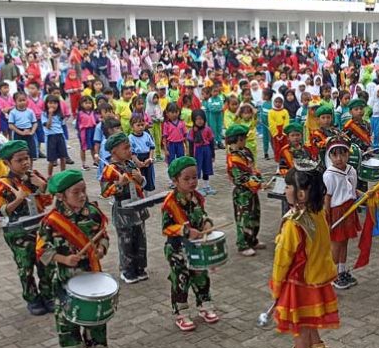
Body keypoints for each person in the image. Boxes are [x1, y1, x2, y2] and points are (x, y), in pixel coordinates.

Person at [37, 170, 110, 348]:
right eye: (76, 192)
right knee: (67, 316)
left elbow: (103, 235)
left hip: (91, 272)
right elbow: (42, 251)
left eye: (83, 190)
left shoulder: (92, 213)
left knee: (95, 312)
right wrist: (63, 258)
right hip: (64, 276)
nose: (82, 195)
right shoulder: (51, 221)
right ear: (61, 196)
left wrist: (102, 248)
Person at [270, 166, 339, 348]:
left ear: (301, 193)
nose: (285, 190)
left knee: (300, 330)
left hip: (299, 284)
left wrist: (276, 286)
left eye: (288, 186)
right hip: (317, 281)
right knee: (310, 327)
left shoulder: (294, 223)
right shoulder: (319, 213)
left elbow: (282, 259)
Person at [0, 140, 54, 315]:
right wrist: (18, 200)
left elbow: (49, 199)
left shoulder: (34, 175)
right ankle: (33, 299)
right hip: (19, 232)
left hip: (39, 227)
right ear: (7, 163)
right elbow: (0, 211)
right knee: (26, 266)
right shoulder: (4, 183)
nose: (25, 163)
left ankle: (48, 294)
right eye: (19, 160)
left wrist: (42, 185)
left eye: (26, 158)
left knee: (46, 261)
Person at [161, 156, 219, 331]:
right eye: (186, 179)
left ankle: (204, 304)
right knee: (181, 279)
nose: (192, 182)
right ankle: (181, 312)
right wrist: (185, 231)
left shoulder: (197, 198)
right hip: (177, 249)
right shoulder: (170, 203)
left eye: (194, 177)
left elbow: (202, 215)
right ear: (175, 180)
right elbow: (166, 228)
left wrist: (207, 223)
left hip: (196, 247)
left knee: (201, 275)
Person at [101, 132, 149, 284]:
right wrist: (118, 185)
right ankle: (127, 270)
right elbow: (104, 192)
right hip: (123, 209)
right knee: (126, 241)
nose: (130, 151)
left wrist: (140, 178)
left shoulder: (131, 164)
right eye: (126, 148)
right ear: (114, 151)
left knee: (140, 238)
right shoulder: (110, 169)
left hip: (138, 206)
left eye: (130, 147)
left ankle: (140, 268)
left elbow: (142, 184)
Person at [323, 137, 361, 290]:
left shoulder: (351, 170)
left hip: (349, 209)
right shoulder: (329, 175)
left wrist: (366, 194)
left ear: (348, 155)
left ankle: (342, 270)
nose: (339, 159)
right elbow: (328, 197)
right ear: (329, 156)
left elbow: (352, 190)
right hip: (337, 211)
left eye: (343, 154)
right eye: (335, 155)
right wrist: (328, 218)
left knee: (344, 242)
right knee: (336, 244)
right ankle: (332, 274)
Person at [226, 124, 264, 257]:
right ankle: (242, 244)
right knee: (243, 218)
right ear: (237, 140)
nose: (244, 141)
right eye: (242, 139)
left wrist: (258, 177)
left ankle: (252, 239)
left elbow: (253, 167)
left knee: (255, 216)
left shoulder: (246, 151)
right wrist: (258, 183)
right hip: (242, 193)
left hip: (252, 191)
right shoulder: (233, 158)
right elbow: (240, 178)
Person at [187, 109, 216, 196]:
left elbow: (211, 142)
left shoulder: (208, 129)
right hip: (197, 152)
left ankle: (206, 186)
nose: (199, 121)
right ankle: (196, 189)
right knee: (197, 170)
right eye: (197, 119)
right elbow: (191, 144)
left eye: (201, 119)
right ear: (193, 120)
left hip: (206, 150)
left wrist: (213, 155)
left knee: (206, 168)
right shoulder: (192, 131)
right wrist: (191, 157)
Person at [41, 95, 68, 177]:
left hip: (60, 135)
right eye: (50, 103)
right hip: (50, 137)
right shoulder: (44, 114)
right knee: (51, 159)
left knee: (63, 157)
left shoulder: (59, 114)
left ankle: (63, 174)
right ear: (46, 104)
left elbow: (62, 124)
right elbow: (48, 126)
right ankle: (49, 175)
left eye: (55, 103)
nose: (53, 105)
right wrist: (50, 115)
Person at [128, 116, 155, 192]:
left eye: (142, 125)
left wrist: (150, 158)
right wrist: (138, 162)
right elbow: (132, 152)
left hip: (147, 158)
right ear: (132, 126)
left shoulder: (147, 135)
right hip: (137, 159)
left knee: (148, 176)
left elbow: (152, 147)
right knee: (138, 177)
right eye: (138, 125)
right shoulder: (130, 138)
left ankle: (147, 192)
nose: (141, 127)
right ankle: (139, 192)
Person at [8, 92, 38, 161]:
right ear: (15, 101)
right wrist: (21, 132)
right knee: (19, 152)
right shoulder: (13, 112)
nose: (22, 102)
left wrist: (32, 132)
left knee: (30, 153)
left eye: (24, 100)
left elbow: (35, 123)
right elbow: (11, 125)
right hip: (18, 133)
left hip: (29, 132)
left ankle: (30, 169)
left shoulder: (30, 111)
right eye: (20, 101)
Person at [162, 103, 187, 183]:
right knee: (171, 162)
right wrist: (165, 150)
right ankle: (171, 179)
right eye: (172, 112)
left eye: (176, 112)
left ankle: (181, 177)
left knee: (181, 161)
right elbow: (164, 138)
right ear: (167, 113)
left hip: (180, 144)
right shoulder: (166, 124)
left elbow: (185, 136)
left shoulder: (181, 123)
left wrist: (187, 146)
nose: (174, 114)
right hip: (171, 145)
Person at [76, 95, 97, 171]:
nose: (88, 105)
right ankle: (83, 164)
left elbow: (96, 120)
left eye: (89, 103)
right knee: (83, 148)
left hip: (93, 130)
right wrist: (79, 133)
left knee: (93, 147)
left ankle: (95, 161)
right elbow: (77, 125)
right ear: (81, 104)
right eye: (86, 103)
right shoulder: (80, 113)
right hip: (84, 132)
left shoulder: (93, 112)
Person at [145, 88, 166, 162]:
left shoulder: (158, 106)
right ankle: (152, 156)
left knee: (158, 139)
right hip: (152, 126)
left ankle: (158, 154)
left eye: (157, 97)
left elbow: (161, 113)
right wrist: (153, 119)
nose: (156, 99)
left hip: (158, 125)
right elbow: (148, 117)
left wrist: (161, 118)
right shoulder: (148, 108)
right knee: (152, 139)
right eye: (154, 98)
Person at [269, 93, 289, 162]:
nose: (278, 103)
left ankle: (286, 161)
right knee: (277, 148)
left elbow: (286, 122)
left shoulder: (285, 111)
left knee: (285, 147)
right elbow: (271, 123)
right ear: (273, 102)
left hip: (284, 132)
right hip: (275, 132)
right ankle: (278, 164)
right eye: (276, 102)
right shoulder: (271, 112)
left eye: (280, 102)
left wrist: (284, 133)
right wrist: (276, 134)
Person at [204, 84, 225, 149]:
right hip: (212, 117)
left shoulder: (220, 98)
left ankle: (219, 142)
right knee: (213, 129)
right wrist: (218, 109)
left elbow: (222, 106)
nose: (216, 93)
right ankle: (214, 142)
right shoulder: (210, 99)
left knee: (219, 128)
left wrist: (217, 108)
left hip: (219, 116)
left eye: (217, 91)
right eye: (214, 91)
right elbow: (211, 108)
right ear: (211, 92)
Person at [260, 88, 272, 160]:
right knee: (265, 139)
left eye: (263, 95)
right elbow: (261, 113)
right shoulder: (263, 104)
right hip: (264, 126)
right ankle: (266, 152)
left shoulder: (271, 105)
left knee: (272, 140)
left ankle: (275, 152)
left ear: (267, 96)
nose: (262, 96)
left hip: (270, 126)